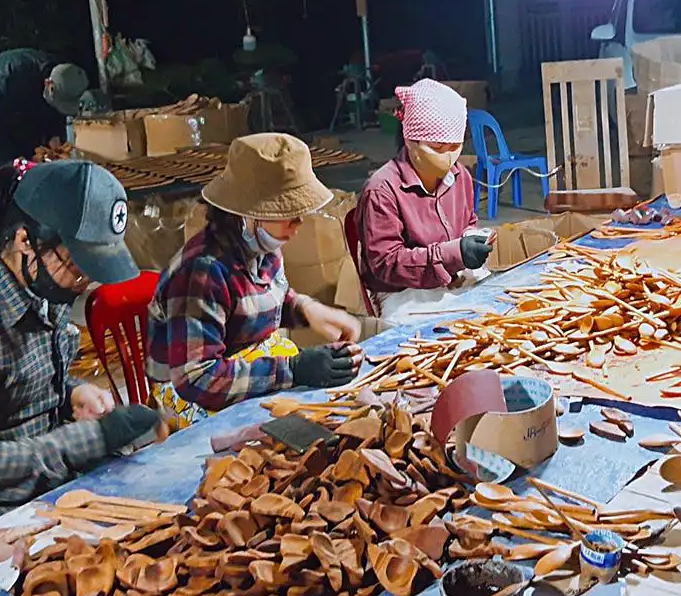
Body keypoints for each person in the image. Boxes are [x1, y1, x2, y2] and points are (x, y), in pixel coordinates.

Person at [0, 160, 159, 542]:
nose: (84, 283)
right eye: (77, 265)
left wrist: (71, 393)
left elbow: (18, 383)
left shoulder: (41, 290)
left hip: (45, 483)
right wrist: (93, 439)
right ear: (26, 241)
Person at [148, 133, 362, 428]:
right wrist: (293, 369)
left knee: (324, 408)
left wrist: (306, 309)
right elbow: (197, 379)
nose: (299, 225)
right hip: (194, 389)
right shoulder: (202, 273)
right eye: (290, 215)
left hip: (246, 359)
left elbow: (263, 297)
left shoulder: (263, 246)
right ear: (249, 215)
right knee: (280, 432)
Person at [357, 79, 492, 321]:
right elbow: (386, 263)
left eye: (455, 146)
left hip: (455, 275)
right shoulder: (382, 190)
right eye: (437, 147)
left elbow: (468, 221)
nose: (448, 156)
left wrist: (472, 238)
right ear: (410, 141)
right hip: (405, 291)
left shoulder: (460, 176)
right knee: (439, 332)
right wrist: (451, 254)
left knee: (501, 305)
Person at [0, 49, 89, 173]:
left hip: (27, 94)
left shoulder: (66, 73)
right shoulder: (8, 79)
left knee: (32, 154)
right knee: (2, 165)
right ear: (48, 83)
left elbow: (55, 108)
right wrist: (9, 162)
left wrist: (54, 135)